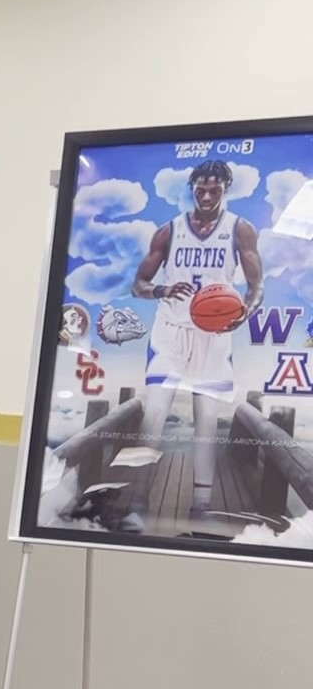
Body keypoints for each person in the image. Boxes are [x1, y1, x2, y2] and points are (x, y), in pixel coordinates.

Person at [123, 159, 264, 530]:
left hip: (214, 335)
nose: (205, 195)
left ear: (225, 190)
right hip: (170, 331)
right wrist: (163, 289)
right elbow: (138, 283)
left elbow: (256, 285)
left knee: (206, 422)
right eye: (199, 189)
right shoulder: (169, 231)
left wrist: (245, 311)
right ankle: (138, 501)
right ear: (192, 189)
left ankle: (200, 505)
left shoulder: (240, 229)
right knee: (154, 415)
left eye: (214, 189)